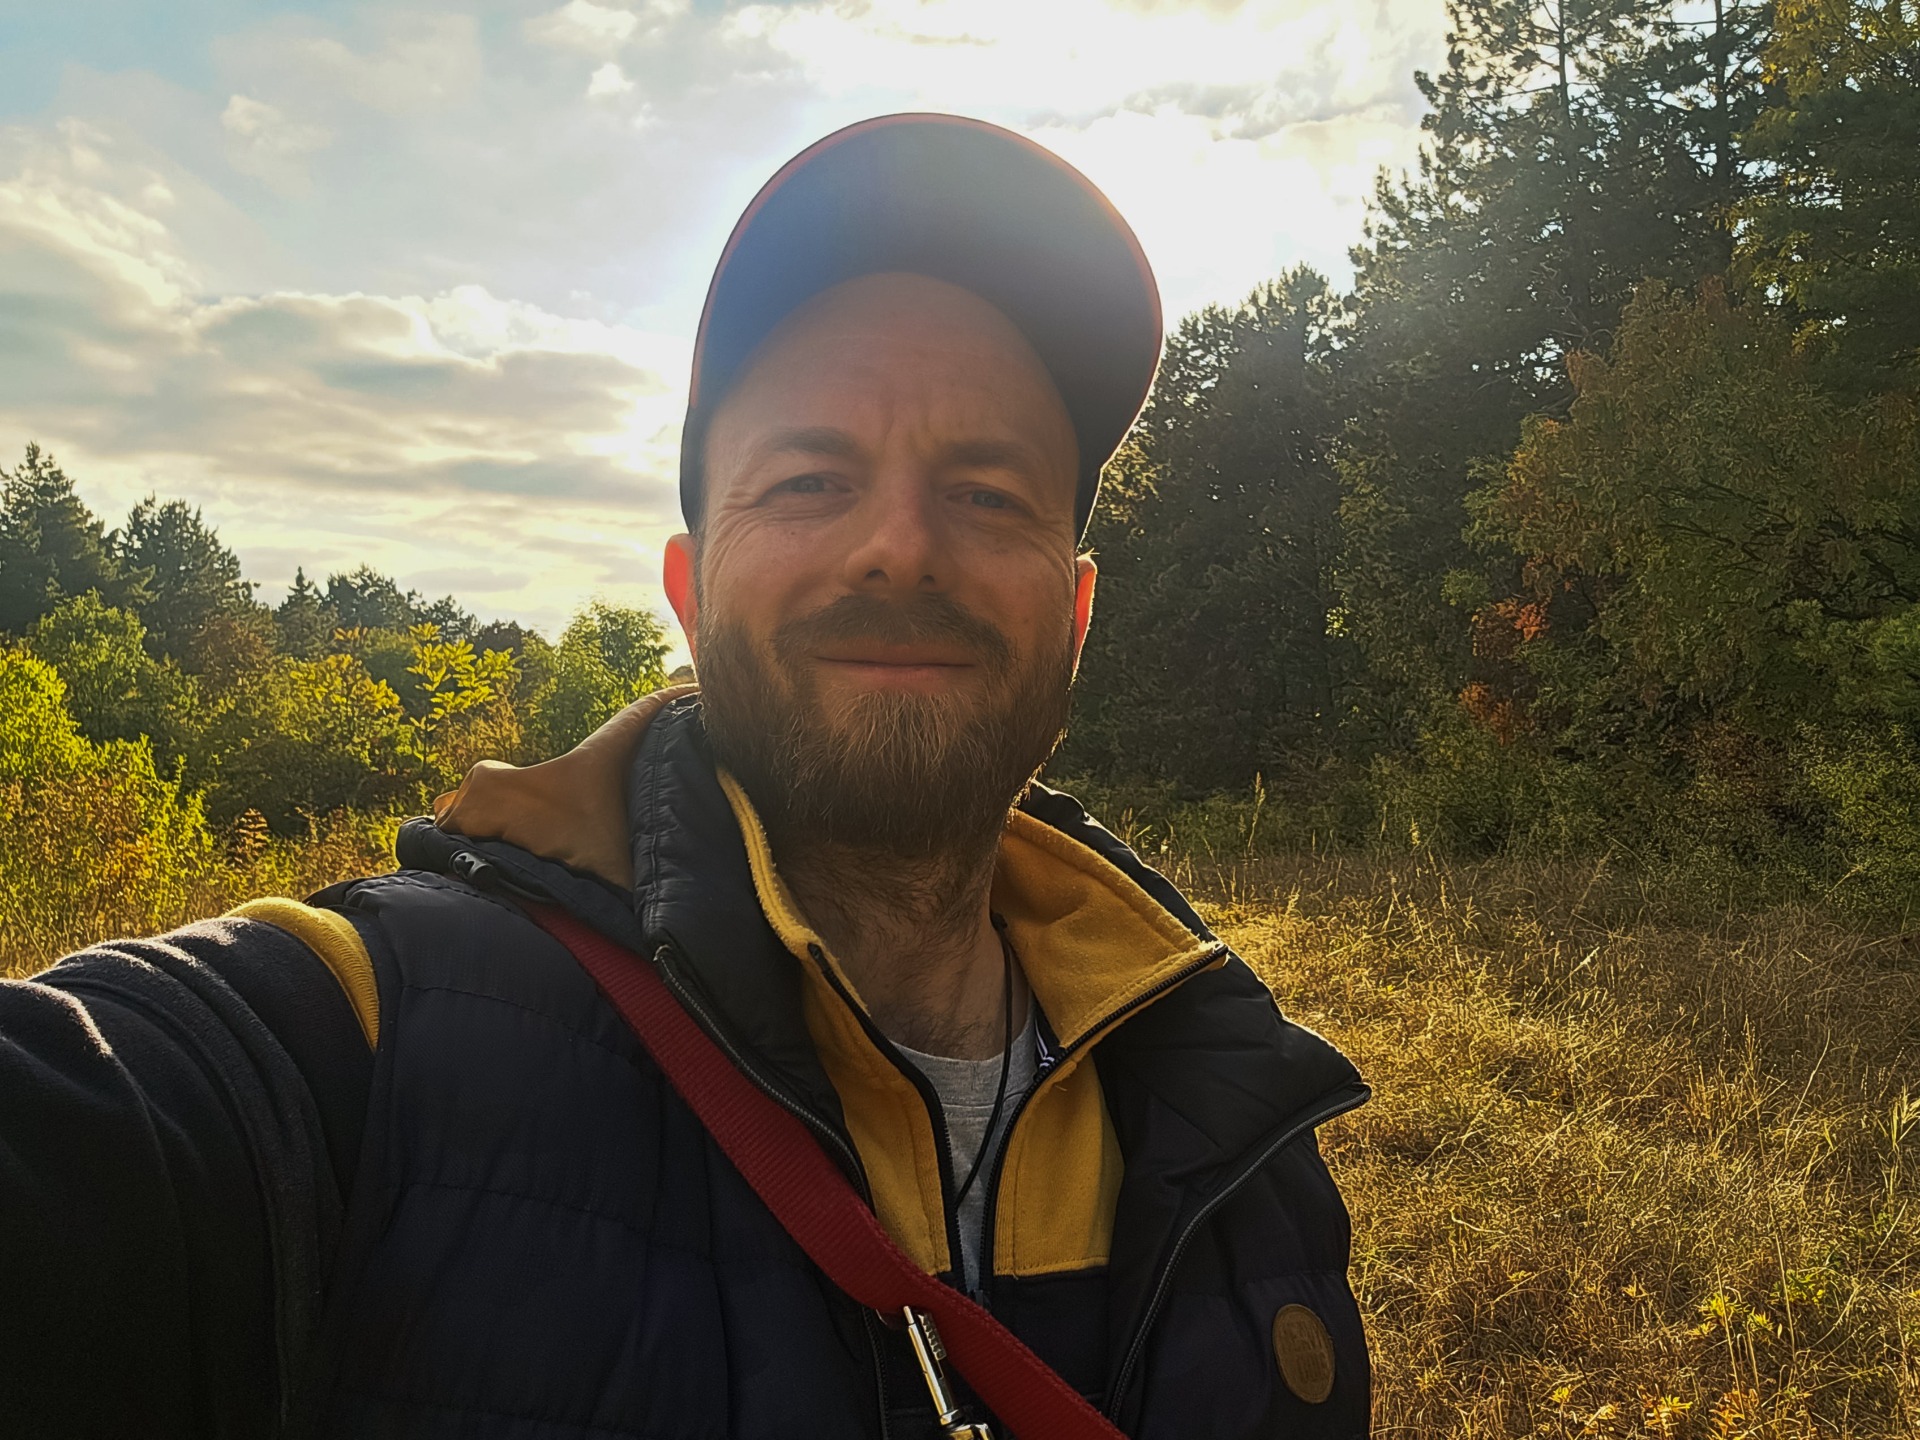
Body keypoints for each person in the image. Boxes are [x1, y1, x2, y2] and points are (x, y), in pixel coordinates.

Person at [0, 114, 1369, 1439]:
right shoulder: (372, 1037)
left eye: (988, 492)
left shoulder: (1234, 1113)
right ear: (691, 590)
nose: (900, 544)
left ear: (1072, 614)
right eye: (811, 480)